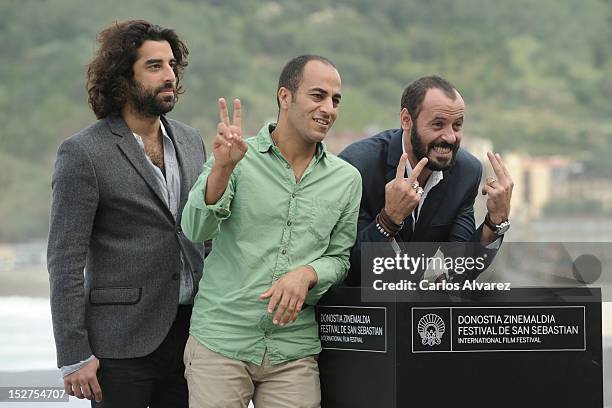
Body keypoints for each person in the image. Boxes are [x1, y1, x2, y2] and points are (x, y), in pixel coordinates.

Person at [181, 55, 362, 407]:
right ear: (285, 96)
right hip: (220, 341)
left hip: (293, 351)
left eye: (335, 100)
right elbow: (195, 228)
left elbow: (339, 258)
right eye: (318, 96)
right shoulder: (237, 156)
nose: (328, 108)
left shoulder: (346, 180)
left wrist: (308, 273)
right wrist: (222, 169)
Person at [47, 20, 206, 407]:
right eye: (155, 66)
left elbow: (206, 235)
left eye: (172, 65)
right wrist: (73, 356)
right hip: (119, 345)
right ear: (123, 77)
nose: (169, 76)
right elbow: (65, 259)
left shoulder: (191, 140)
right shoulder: (83, 153)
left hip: (194, 338)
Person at [339, 75, 513, 286]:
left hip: (414, 310)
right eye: (438, 124)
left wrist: (495, 222)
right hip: (357, 309)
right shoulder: (358, 165)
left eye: (457, 126)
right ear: (406, 120)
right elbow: (348, 267)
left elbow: (461, 270)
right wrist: (389, 220)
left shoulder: (466, 172)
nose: (450, 137)